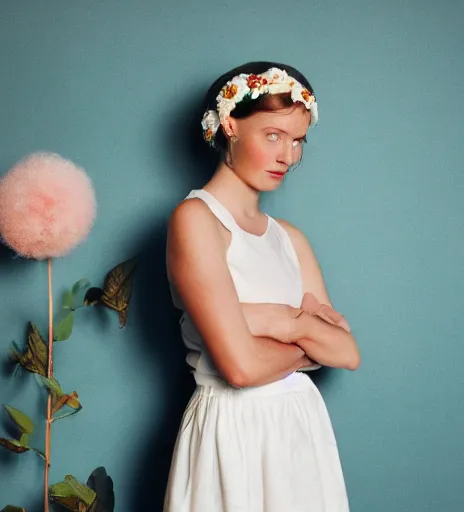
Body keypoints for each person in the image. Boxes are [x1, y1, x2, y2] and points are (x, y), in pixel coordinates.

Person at [164, 61, 361, 512]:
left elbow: (347, 353)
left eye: (297, 141)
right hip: (234, 427)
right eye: (273, 136)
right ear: (229, 125)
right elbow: (241, 370)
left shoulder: (290, 238)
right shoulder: (196, 220)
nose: (288, 157)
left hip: (301, 425)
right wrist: (302, 327)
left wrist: (273, 323)